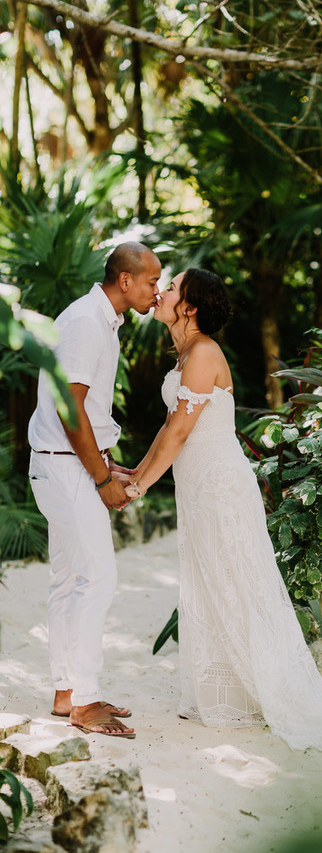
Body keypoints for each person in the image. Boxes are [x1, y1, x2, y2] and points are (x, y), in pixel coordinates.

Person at [126, 267, 322, 750]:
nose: (161, 291)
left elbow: (180, 433)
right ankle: (227, 694)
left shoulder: (203, 353)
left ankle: (263, 691)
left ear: (190, 306)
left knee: (236, 582)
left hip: (220, 486)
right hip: (197, 486)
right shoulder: (184, 353)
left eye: (173, 286)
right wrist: (133, 473)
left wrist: (137, 488)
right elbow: (168, 428)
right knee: (210, 580)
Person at [28, 241, 162, 739]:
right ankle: (84, 701)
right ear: (124, 280)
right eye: (151, 280)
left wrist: (109, 463)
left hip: (65, 465)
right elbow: (69, 409)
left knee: (68, 581)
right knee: (97, 579)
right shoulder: (87, 321)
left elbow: (85, 413)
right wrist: (103, 480)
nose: (157, 289)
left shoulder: (100, 320)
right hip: (66, 470)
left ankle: (68, 690)